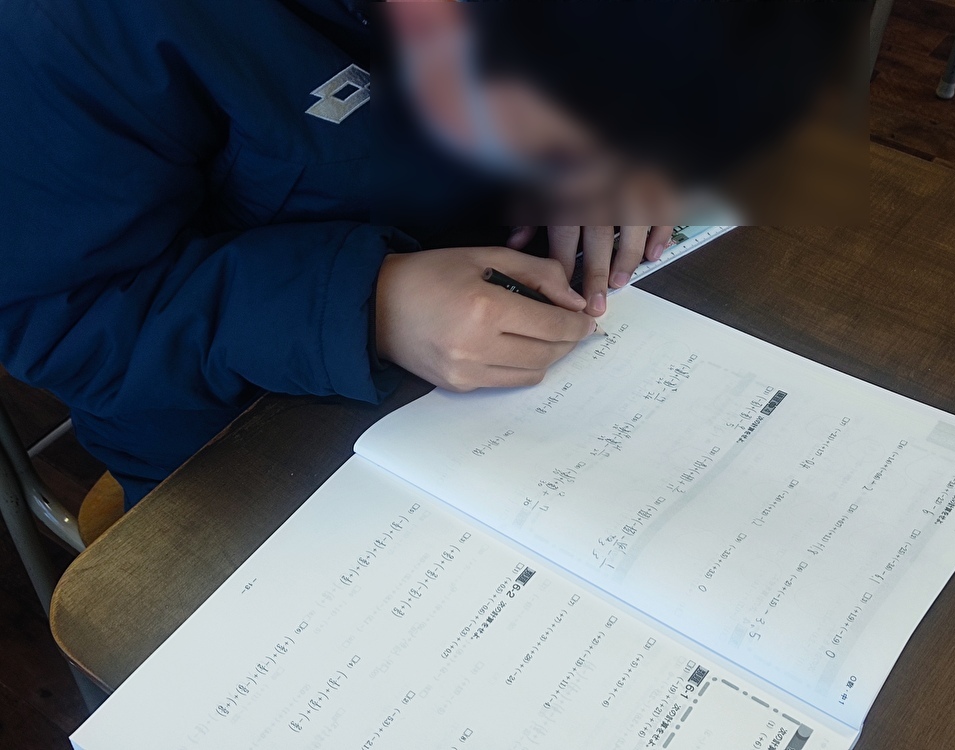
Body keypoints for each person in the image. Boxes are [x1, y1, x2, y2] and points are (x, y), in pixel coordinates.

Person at [0, 0, 859, 508]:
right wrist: (370, 303)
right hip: (255, 431)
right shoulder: (57, 27)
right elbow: (63, 315)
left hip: (577, 324)